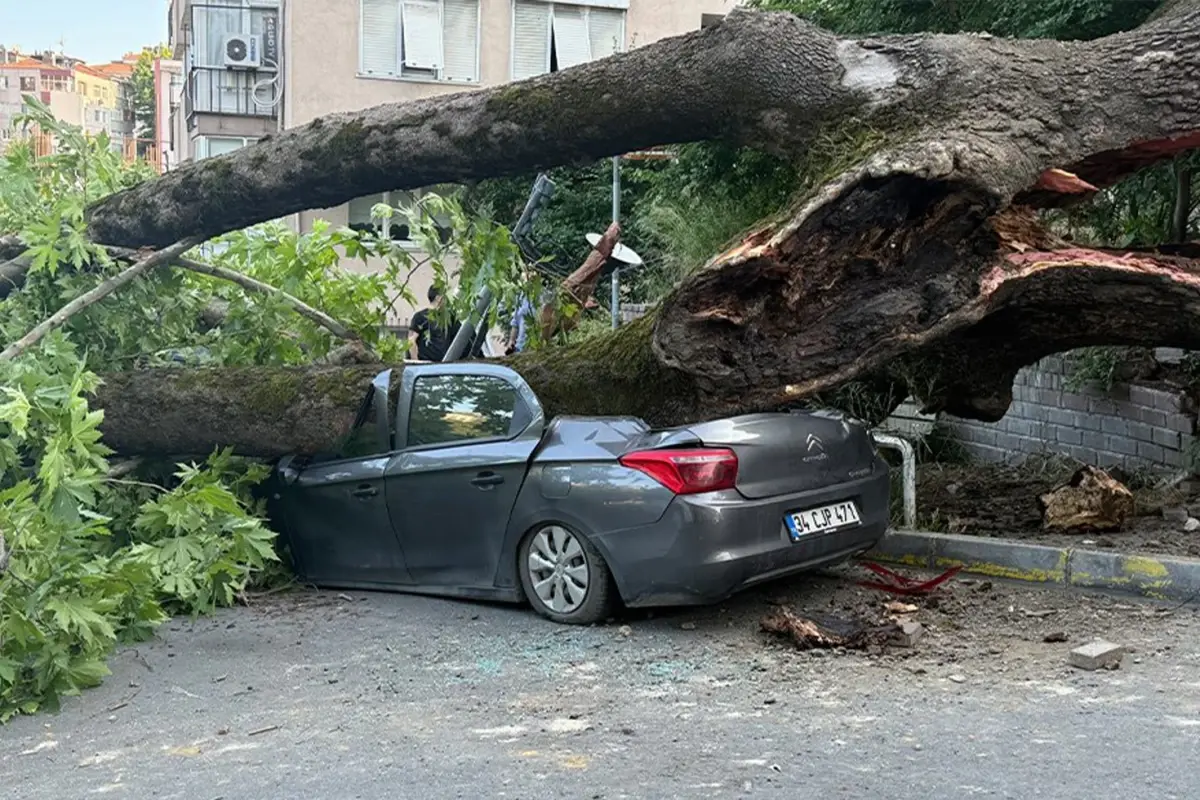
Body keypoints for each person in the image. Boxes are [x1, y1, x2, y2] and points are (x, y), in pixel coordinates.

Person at [409, 286, 489, 362]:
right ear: (438, 298)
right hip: (426, 364)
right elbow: (411, 341)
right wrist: (416, 362)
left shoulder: (450, 317)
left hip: (444, 364)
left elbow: (465, 336)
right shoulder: (420, 317)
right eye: (445, 297)